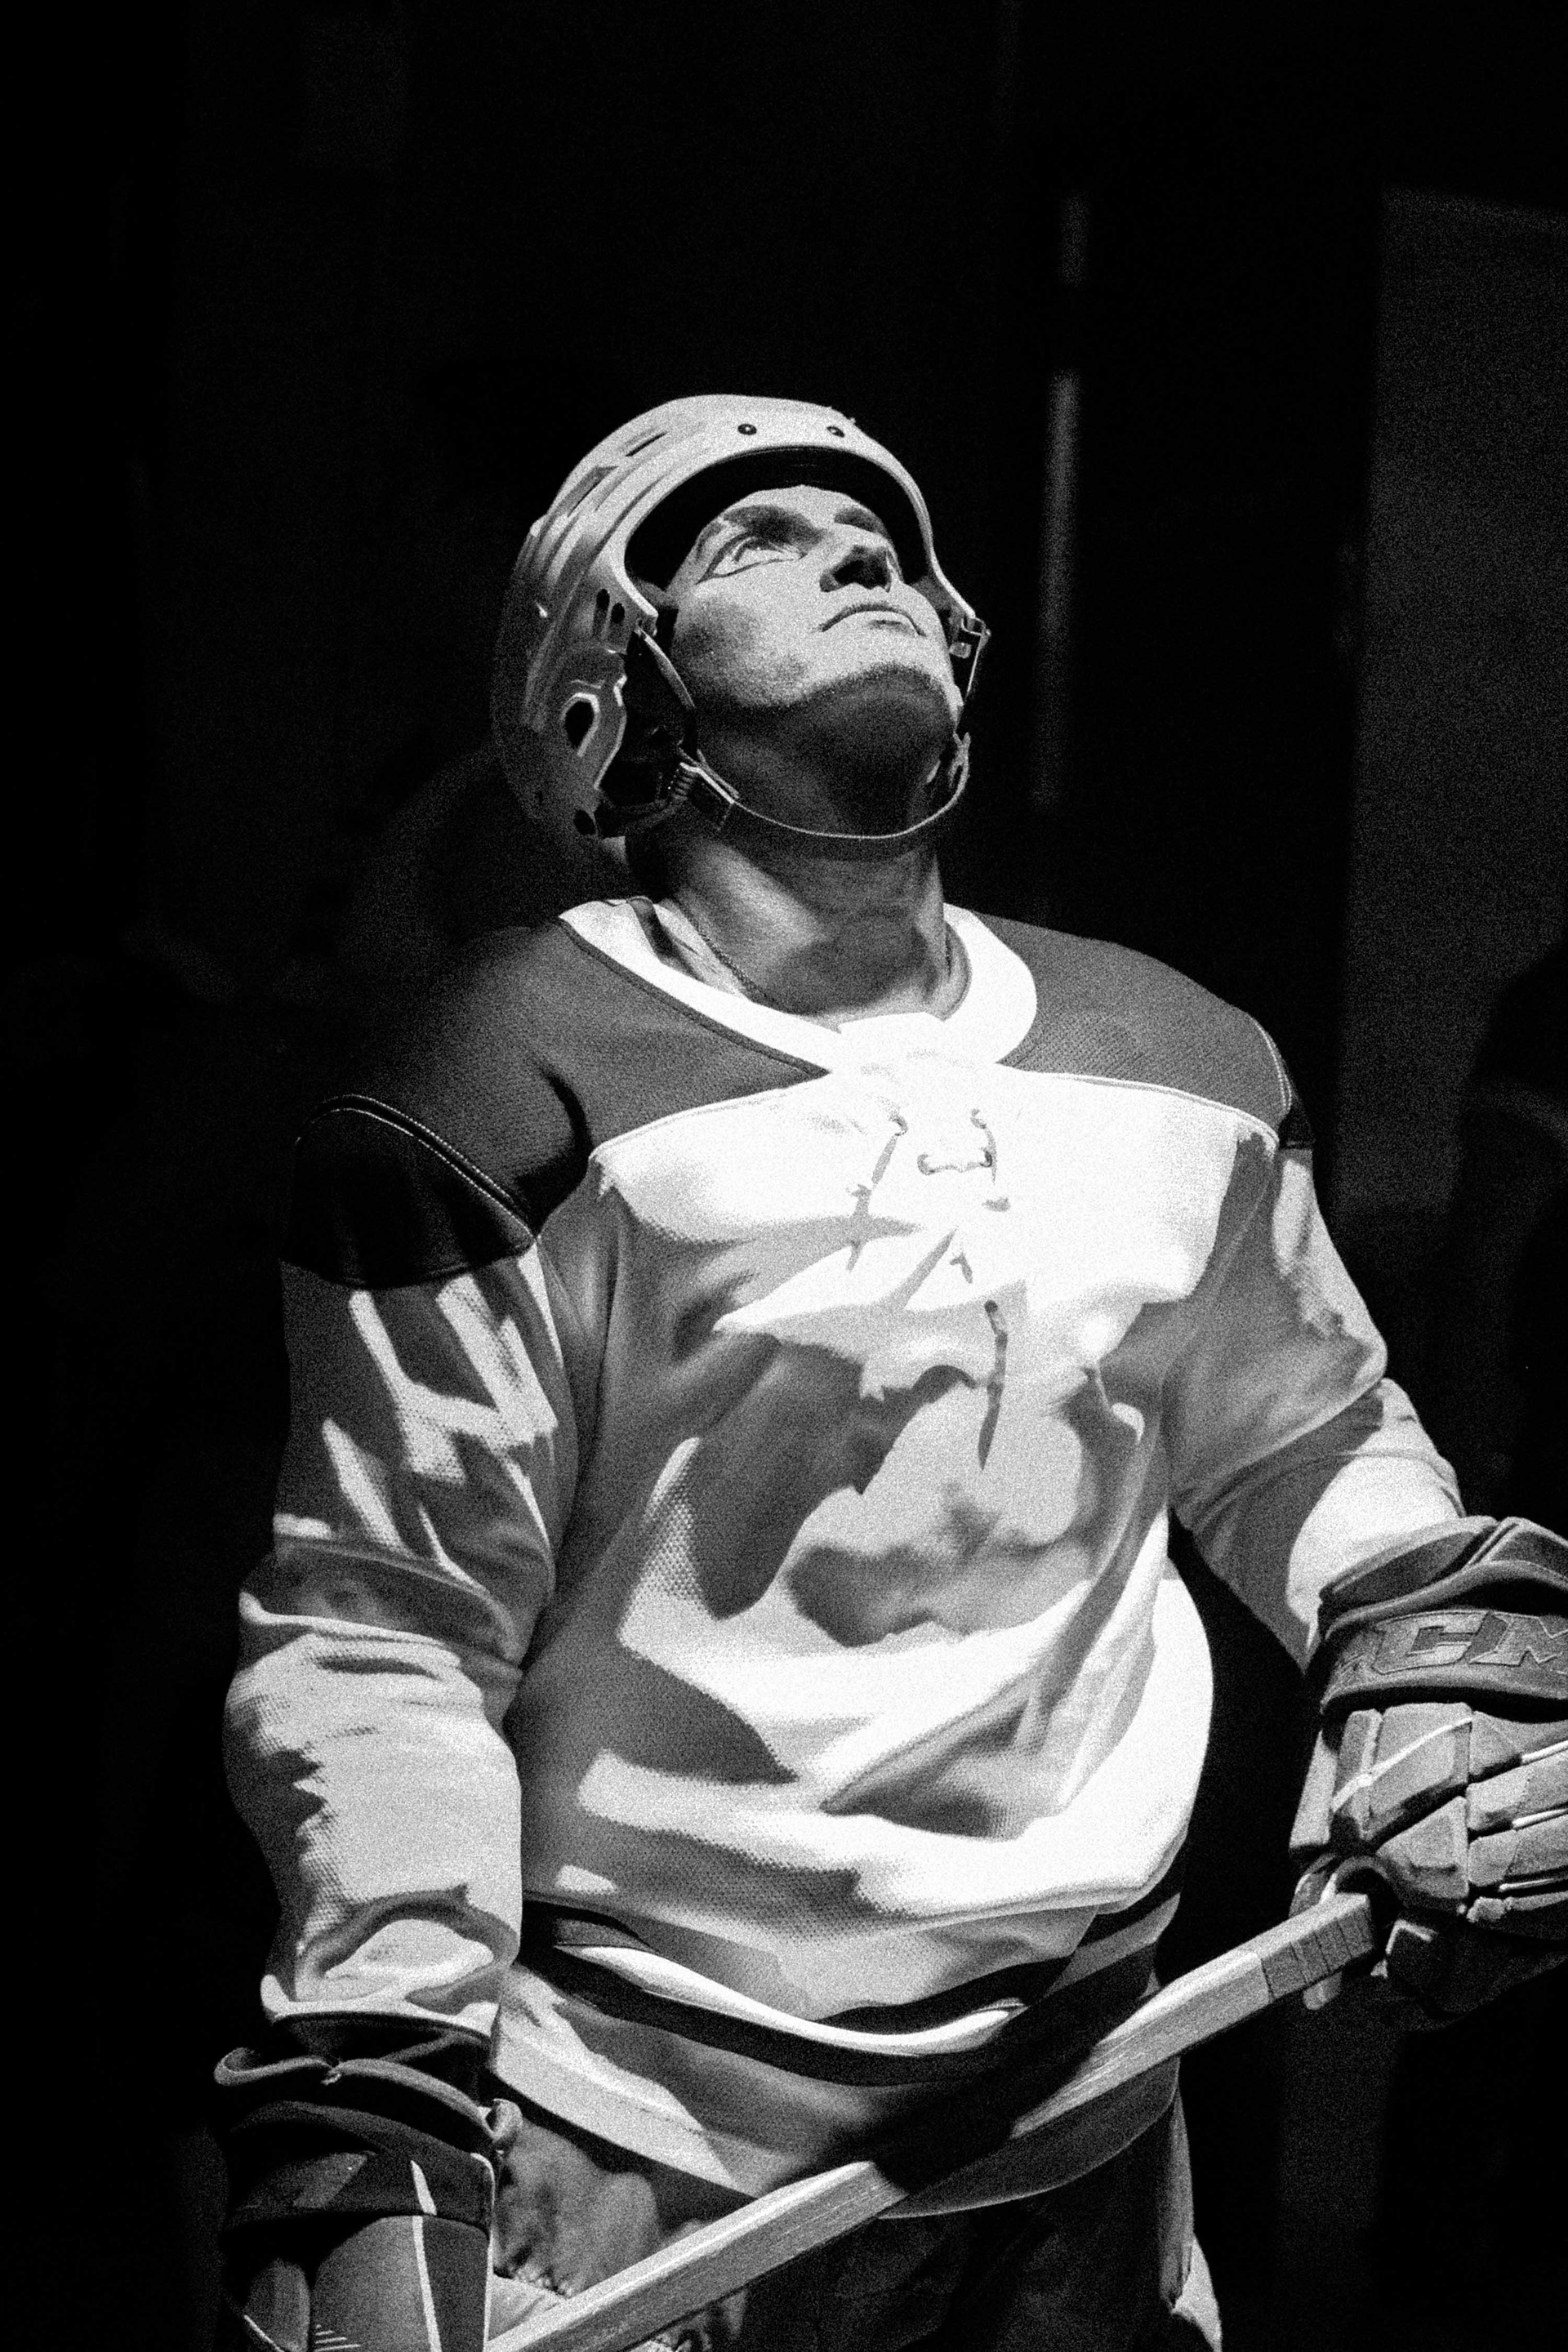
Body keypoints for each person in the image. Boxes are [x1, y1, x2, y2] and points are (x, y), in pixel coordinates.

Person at [214, 396, 1567, 2352]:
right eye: (761, 540)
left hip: (1092, 2111)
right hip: (641, 2149)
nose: (868, 561)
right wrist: (382, 2073)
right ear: (611, 677)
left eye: (893, 548)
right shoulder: (499, 1085)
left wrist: (1421, 1642)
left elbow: (1305, 1435)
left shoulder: (1178, 1054)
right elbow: (392, 1624)